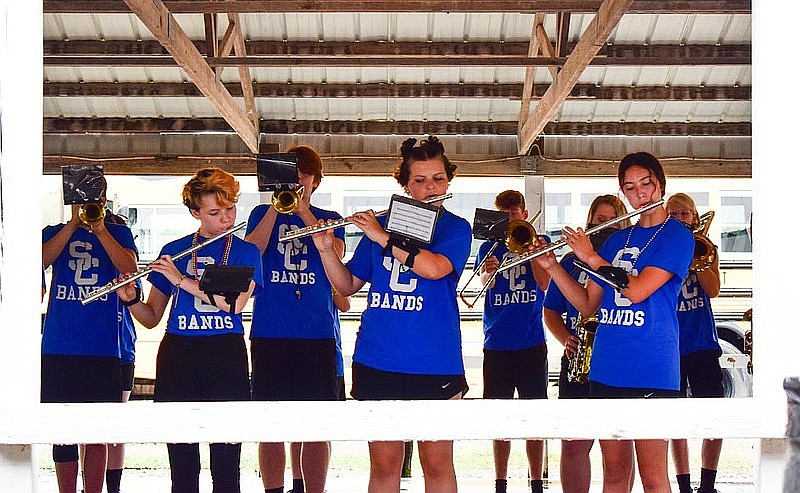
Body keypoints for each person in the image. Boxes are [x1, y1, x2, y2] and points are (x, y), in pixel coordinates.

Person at [312, 135, 471, 493]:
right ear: (404, 184)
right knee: (385, 465)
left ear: (449, 180)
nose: (431, 188)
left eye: (439, 179)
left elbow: (434, 269)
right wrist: (325, 251)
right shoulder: (380, 224)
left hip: (435, 360)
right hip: (378, 357)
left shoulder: (455, 227)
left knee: (437, 463)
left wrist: (382, 236)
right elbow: (348, 284)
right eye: (420, 181)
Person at [533, 152, 694, 492]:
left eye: (646, 184)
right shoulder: (616, 240)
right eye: (630, 188)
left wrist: (590, 255)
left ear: (660, 184)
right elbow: (588, 305)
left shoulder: (678, 237)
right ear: (624, 193)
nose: (640, 194)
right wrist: (552, 266)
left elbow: (637, 291)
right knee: (615, 474)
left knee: (653, 476)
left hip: (653, 367)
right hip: (608, 369)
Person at [115, 167, 262, 493]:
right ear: (195, 212)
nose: (225, 218)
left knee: (226, 466)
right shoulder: (176, 250)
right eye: (214, 212)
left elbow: (234, 305)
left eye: (230, 209)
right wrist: (130, 299)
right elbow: (152, 316)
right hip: (178, 354)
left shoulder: (244, 251)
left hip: (225, 353)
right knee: (182, 467)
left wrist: (181, 280)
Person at [245, 145, 345, 493]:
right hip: (270, 332)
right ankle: (274, 488)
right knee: (270, 423)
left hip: (316, 333)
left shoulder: (329, 216)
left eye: (303, 175)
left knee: (316, 424)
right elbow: (251, 252)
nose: (297, 182)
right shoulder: (260, 213)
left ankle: (311, 488)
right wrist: (276, 208)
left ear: (316, 180)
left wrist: (302, 211)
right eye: (290, 175)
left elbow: (336, 255)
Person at [42, 179, 139, 493]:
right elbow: (40, 260)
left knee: (98, 429)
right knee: (62, 431)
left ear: (105, 198)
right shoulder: (53, 231)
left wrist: (100, 230)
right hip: (58, 346)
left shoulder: (119, 233)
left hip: (102, 347)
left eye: (95, 196)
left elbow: (129, 265)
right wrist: (73, 223)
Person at [542, 194, 631, 493]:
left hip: (617, 358)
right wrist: (564, 337)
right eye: (598, 220)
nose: (604, 226)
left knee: (617, 446)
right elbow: (550, 309)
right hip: (579, 359)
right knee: (574, 443)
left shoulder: (629, 259)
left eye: (611, 220)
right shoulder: (569, 261)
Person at [474, 190, 550, 493]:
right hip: (496, 343)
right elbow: (482, 285)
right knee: (499, 417)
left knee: (534, 416)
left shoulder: (538, 243)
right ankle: (500, 482)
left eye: (515, 211)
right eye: (504, 213)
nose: (511, 217)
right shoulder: (488, 248)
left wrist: (530, 250)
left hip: (531, 342)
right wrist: (487, 271)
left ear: (525, 212)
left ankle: (536, 481)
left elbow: (544, 284)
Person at [666, 193, 724, 493]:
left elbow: (713, 291)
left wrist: (700, 260)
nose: (679, 218)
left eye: (685, 213)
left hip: (701, 343)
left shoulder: (706, 248)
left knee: (713, 415)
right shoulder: (661, 248)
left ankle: (708, 484)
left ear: (694, 217)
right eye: (672, 213)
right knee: (676, 418)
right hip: (669, 346)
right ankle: (684, 484)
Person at [287, 290, 351, 493]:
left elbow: (345, 303)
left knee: (318, 427)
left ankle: (313, 488)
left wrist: (330, 262)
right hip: (283, 341)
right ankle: (298, 485)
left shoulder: (327, 258)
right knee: (295, 424)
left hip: (324, 345)